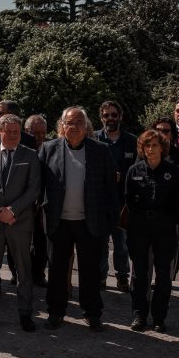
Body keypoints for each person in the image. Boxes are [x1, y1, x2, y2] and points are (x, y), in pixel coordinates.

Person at [39, 106, 117, 332]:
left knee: (90, 270)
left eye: (79, 123)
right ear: (62, 126)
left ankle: (92, 313)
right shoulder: (48, 149)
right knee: (56, 269)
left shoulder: (100, 151)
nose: (74, 127)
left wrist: (109, 222)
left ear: (86, 127)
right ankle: (55, 312)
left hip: (90, 222)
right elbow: (39, 185)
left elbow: (110, 188)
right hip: (58, 221)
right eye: (70, 123)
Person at [0, 114, 42, 332]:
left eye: (17, 132)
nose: (13, 135)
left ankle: (25, 313)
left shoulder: (31, 155)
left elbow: (33, 189)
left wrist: (12, 210)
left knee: (23, 270)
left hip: (19, 221)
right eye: (9, 131)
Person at [125, 130, 179, 332]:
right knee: (140, 275)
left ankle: (159, 317)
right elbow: (129, 199)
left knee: (163, 275)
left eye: (154, 145)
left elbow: (178, 202)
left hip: (164, 228)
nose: (150, 149)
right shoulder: (134, 171)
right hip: (139, 228)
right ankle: (139, 315)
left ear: (162, 148)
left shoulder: (173, 172)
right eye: (146, 145)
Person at [95, 100, 137, 293]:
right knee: (101, 243)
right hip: (99, 202)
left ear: (120, 116)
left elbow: (138, 170)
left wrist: (122, 176)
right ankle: (101, 277)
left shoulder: (132, 141)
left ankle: (122, 278)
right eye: (106, 115)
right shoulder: (93, 139)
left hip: (122, 203)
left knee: (121, 244)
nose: (110, 118)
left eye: (113, 115)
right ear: (101, 118)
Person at [25, 114, 49, 286]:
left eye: (43, 133)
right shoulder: (21, 148)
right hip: (23, 202)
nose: (40, 137)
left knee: (41, 241)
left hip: (42, 203)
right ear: (27, 131)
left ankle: (38, 273)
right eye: (36, 133)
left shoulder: (50, 147)